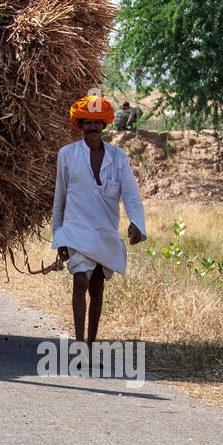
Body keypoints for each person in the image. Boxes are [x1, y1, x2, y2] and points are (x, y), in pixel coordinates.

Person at [51, 96, 147, 351]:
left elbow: (130, 193)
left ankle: (91, 347)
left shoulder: (118, 157)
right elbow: (59, 196)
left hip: (105, 231)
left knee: (96, 286)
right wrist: (59, 235)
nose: (92, 128)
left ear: (104, 125)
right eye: (87, 123)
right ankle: (79, 344)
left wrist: (136, 222)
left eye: (97, 123)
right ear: (80, 125)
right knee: (80, 280)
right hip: (76, 229)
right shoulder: (67, 155)